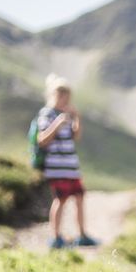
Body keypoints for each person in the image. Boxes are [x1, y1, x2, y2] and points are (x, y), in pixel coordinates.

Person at [35, 74, 97, 249]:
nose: (65, 99)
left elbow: (76, 136)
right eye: (61, 95)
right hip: (57, 168)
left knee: (79, 197)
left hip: (71, 166)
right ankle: (55, 237)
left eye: (67, 96)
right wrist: (57, 123)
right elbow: (42, 139)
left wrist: (76, 118)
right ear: (53, 95)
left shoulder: (66, 115)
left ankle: (82, 234)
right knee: (60, 200)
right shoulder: (46, 114)